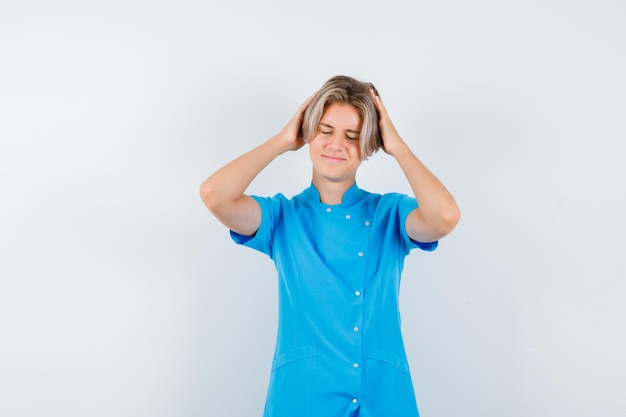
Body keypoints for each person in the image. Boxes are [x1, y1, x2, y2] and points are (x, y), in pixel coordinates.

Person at [200, 75, 460, 417]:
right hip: (303, 396)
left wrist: (397, 147)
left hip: (381, 394)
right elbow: (214, 195)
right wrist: (281, 141)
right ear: (308, 134)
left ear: (370, 144)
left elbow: (444, 216)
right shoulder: (282, 217)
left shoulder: (391, 214)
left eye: (352, 136)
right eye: (325, 131)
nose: (337, 144)